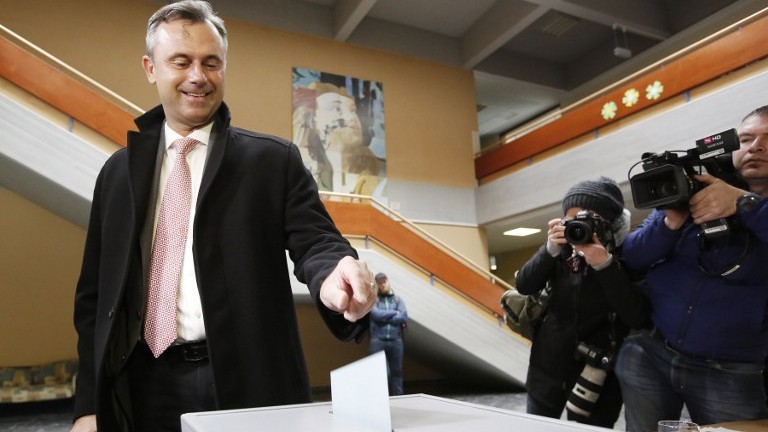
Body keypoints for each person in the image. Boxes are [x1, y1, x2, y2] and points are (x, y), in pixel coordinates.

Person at [70, 2, 377, 431]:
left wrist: (335, 272)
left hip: (246, 381)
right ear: (150, 68)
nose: (198, 76)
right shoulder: (117, 173)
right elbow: (93, 300)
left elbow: (316, 242)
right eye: (181, 61)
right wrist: (88, 405)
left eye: (211, 63)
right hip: (142, 383)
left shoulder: (272, 161)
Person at [615, 107, 768, 431]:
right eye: (747, 138)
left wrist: (743, 203)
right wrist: (671, 222)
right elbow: (632, 256)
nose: (756, 146)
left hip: (732, 367)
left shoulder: (745, 200)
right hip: (651, 352)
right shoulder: (692, 184)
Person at [515, 177, 649, 428]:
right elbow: (524, 285)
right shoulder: (560, 251)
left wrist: (604, 265)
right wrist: (549, 250)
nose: (578, 225)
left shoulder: (629, 255)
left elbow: (637, 316)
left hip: (599, 374)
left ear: (609, 223)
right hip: (547, 368)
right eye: (571, 218)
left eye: (589, 218)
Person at [369, 272, 408, 395]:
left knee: (397, 371)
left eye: (384, 282)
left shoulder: (398, 299)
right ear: (377, 285)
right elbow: (375, 314)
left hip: (395, 341)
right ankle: (379, 398)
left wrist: (385, 316)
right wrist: (393, 313)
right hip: (377, 341)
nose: (382, 285)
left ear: (388, 281)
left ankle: (398, 398)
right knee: (378, 372)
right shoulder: (374, 300)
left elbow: (403, 316)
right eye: (379, 283)